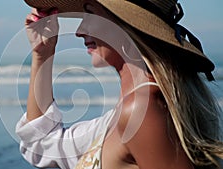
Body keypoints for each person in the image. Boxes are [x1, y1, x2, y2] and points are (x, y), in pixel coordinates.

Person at [16, 0, 223, 168]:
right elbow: (42, 144)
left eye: (90, 15)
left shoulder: (142, 110)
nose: (79, 31)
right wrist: (42, 55)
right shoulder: (122, 115)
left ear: (126, 23)